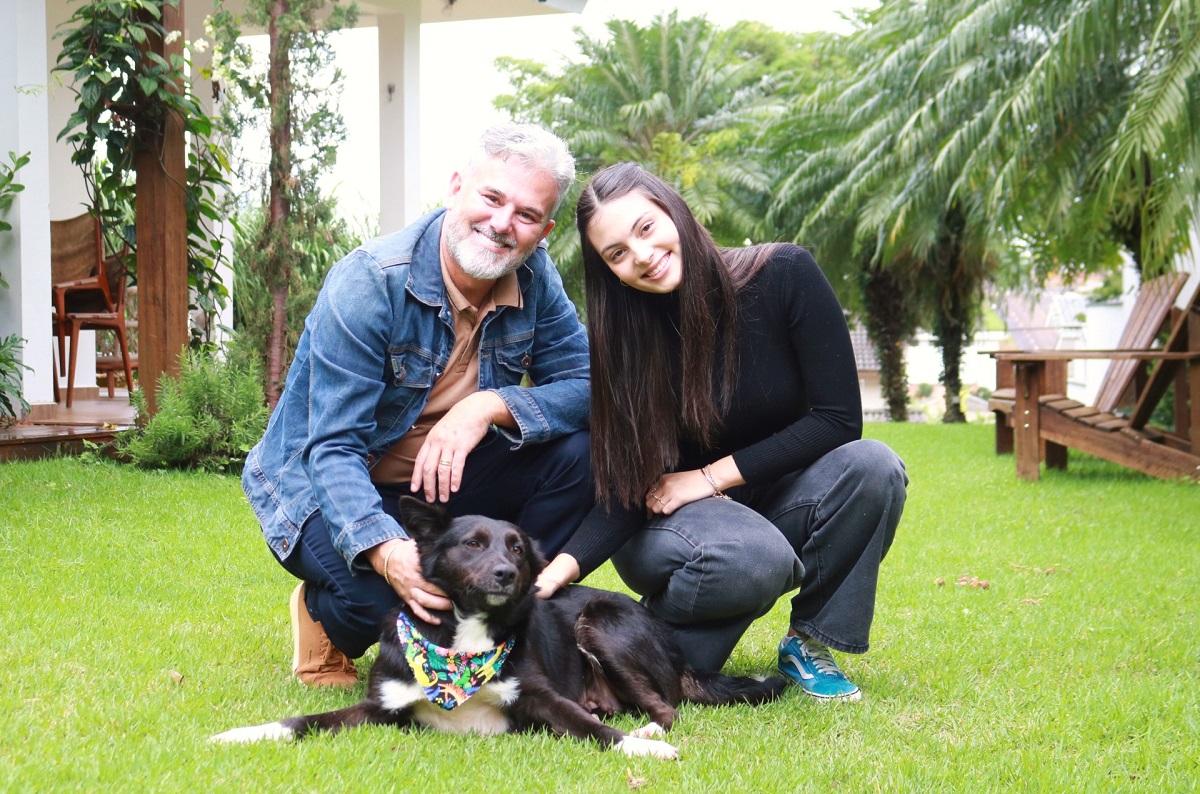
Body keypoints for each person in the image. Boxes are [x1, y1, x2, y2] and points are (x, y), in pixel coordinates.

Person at [533, 163, 907, 702]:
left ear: (674, 211)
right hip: (668, 524)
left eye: (644, 228)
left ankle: (806, 643)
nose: (639, 255)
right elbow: (626, 487)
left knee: (874, 466)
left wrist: (707, 477)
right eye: (616, 253)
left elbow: (838, 419)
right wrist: (558, 571)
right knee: (752, 556)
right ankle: (634, 645)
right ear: (608, 271)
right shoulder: (621, 342)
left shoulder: (784, 275)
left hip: (756, 503)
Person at [243, 123, 593, 687]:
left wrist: (486, 407)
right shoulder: (370, 282)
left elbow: (585, 385)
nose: (503, 224)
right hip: (322, 485)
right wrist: (384, 551)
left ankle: (504, 614)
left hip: (443, 481)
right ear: (457, 188)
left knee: (584, 455)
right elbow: (331, 449)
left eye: (526, 215)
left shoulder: (534, 276)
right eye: (492, 197)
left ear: (543, 230)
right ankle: (320, 612)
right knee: (384, 607)